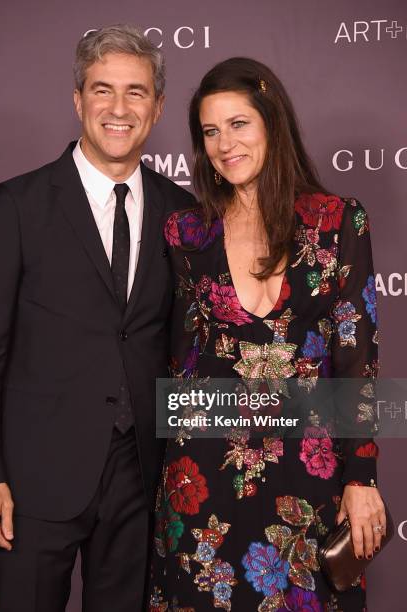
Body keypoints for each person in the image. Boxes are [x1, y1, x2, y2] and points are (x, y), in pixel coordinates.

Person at [0, 24, 195, 611]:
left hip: (142, 479)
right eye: (103, 90)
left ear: (158, 106)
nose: (118, 108)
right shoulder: (15, 206)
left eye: (136, 92)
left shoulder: (182, 213)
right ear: (77, 100)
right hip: (33, 482)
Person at [148, 57, 385, 611]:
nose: (223, 143)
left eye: (238, 124)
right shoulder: (187, 232)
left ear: (271, 123)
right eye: (209, 131)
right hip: (202, 481)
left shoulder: (337, 222)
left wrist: (363, 476)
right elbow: (182, 361)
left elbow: (359, 360)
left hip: (311, 476)